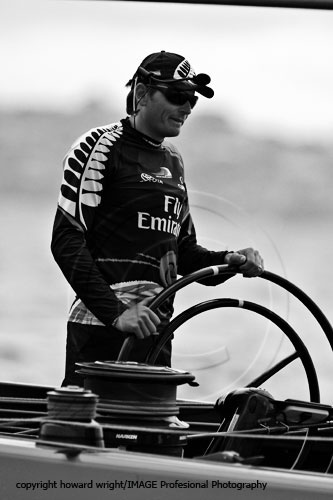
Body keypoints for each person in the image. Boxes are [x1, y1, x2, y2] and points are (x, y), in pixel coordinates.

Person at [51, 51, 264, 386]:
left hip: (156, 336)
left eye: (192, 99)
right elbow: (65, 239)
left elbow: (183, 253)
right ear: (141, 93)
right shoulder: (99, 146)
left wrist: (229, 261)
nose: (188, 107)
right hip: (100, 333)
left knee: (148, 434)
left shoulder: (174, 161)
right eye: (178, 96)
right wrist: (117, 313)